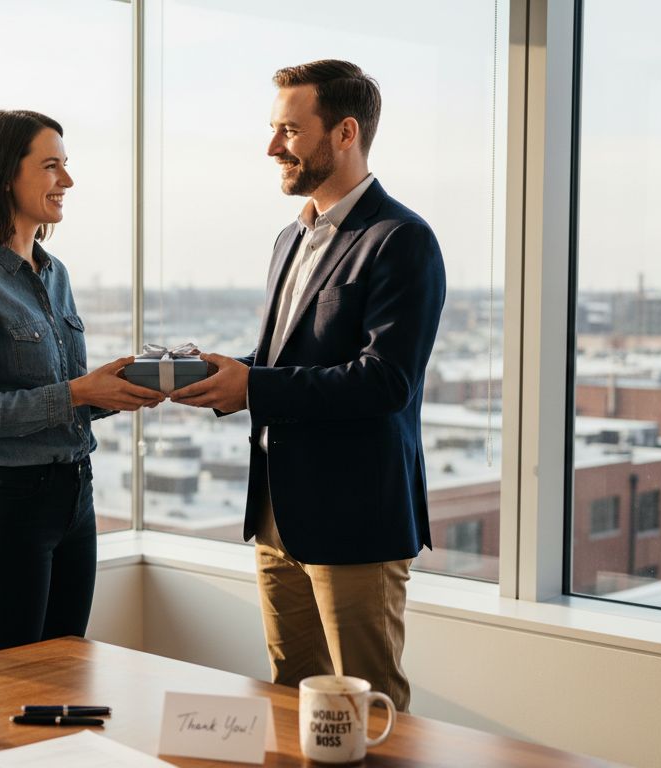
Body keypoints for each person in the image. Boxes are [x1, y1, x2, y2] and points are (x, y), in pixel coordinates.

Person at [170, 60, 446, 711]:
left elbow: (386, 382)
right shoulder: (288, 239)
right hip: (276, 516)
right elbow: (287, 357)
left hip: (356, 518)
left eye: (289, 130)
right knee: (291, 695)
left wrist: (256, 386)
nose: (272, 147)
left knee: (369, 706)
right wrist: (222, 375)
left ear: (345, 132)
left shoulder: (401, 240)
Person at [0, 110, 165, 654]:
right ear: (4, 175)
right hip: (6, 507)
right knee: (10, 690)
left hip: (73, 497)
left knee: (66, 673)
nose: (68, 181)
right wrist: (80, 392)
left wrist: (115, 389)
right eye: (52, 166)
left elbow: (64, 393)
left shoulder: (53, 273)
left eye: (67, 166)